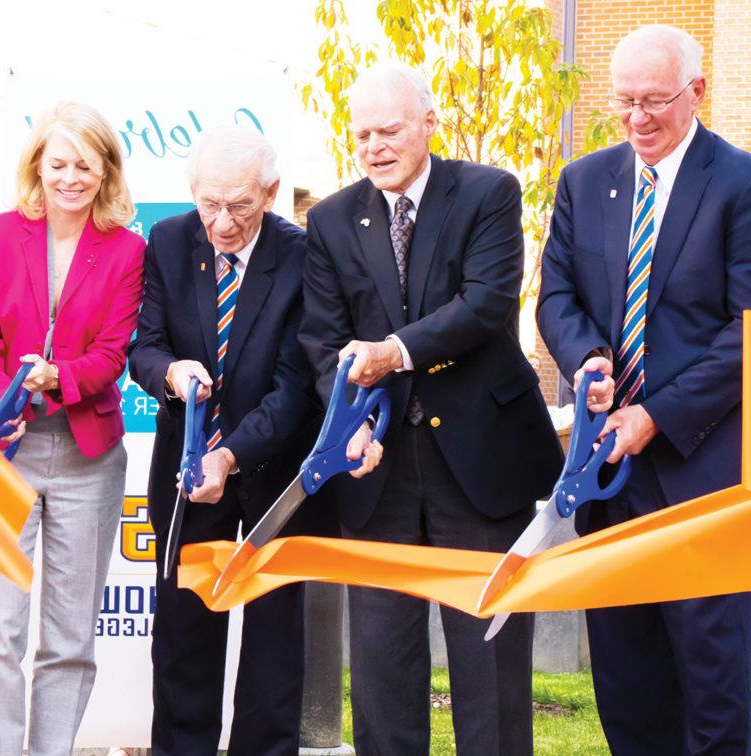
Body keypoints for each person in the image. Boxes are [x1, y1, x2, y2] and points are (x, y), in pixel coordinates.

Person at [538, 24, 751, 754]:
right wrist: (588, 358)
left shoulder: (748, 184)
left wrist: (655, 414)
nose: (637, 118)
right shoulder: (585, 182)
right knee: (625, 683)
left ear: (698, 93)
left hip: (701, 475)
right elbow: (555, 297)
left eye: (654, 101)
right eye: (624, 102)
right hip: (608, 481)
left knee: (710, 693)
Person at [299, 64, 563, 755]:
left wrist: (394, 351)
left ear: (429, 124)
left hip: (480, 464)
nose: (375, 146)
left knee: (491, 669)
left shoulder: (488, 194)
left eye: (389, 130)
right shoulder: (329, 219)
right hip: (376, 474)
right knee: (382, 671)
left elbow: (486, 306)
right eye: (362, 135)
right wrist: (352, 427)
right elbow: (323, 343)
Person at [128, 126, 370, 755]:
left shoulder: (301, 253)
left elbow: (296, 386)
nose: (222, 222)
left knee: (273, 645)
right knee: (183, 636)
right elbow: (145, 348)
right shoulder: (169, 241)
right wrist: (172, 373)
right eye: (209, 204)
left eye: (238, 205)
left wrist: (230, 455)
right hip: (187, 472)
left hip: (274, 474)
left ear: (269, 192)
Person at [0, 101, 145, 756]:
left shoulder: (127, 250)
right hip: (0, 448)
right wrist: (6, 402)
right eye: (58, 163)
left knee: (68, 640)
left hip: (86, 454)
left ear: (106, 172)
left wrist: (56, 378)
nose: (70, 178)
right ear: (37, 163)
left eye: (85, 166)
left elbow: (114, 355)